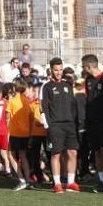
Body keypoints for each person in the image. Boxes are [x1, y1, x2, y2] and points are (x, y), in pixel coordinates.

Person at [40, 58, 81, 193]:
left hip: (69, 125)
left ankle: (70, 182)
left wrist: (76, 122)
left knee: (72, 152)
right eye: (56, 70)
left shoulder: (68, 85)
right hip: (55, 125)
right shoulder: (46, 86)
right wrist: (48, 125)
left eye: (60, 70)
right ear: (51, 70)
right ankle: (57, 183)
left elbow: (73, 106)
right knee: (56, 154)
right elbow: (43, 107)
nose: (58, 72)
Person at [82, 54, 103, 193]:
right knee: (96, 151)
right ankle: (102, 180)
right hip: (92, 122)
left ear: (89, 66)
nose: (84, 70)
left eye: (84, 67)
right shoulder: (88, 80)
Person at [7, 80, 34, 189]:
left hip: (15, 133)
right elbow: (31, 118)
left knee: (11, 155)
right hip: (25, 133)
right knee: (23, 156)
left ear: (15, 89)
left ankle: (21, 179)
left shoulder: (12, 101)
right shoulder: (27, 101)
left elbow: (8, 118)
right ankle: (27, 180)